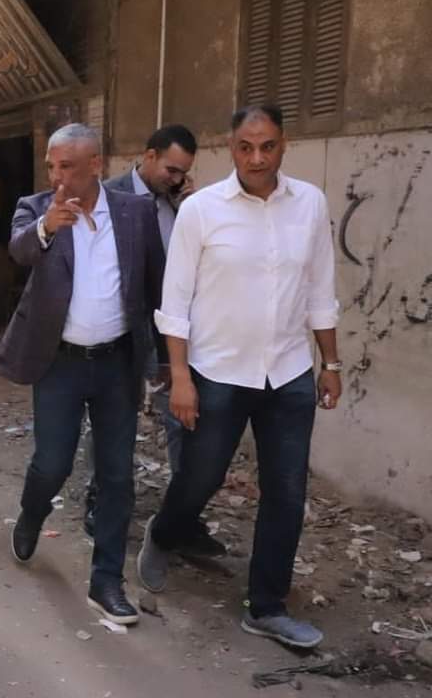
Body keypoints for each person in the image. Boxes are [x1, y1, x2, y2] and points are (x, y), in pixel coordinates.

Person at [137, 105, 341, 649]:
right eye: (246, 147)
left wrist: (331, 364)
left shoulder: (309, 204)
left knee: (287, 491)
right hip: (218, 372)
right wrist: (181, 378)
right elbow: (175, 302)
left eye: (267, 146)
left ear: (283, 145)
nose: (257, 158)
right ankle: (165, 532)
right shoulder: (201, 210)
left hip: (289, 373)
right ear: (230, 148)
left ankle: (266, 606)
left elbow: (320, 291)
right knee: (200, 478)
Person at [0, 124, 166, 626]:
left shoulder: (135, 212)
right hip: (60, 363)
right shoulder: (35, 208)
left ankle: (106, 581)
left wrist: (161, 359)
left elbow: (155, 286)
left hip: (116, 363)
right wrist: (48, 227)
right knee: (52, 464)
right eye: (51, 166)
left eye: (67, 166)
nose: (57, 176)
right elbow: (19, 251)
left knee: (117, 474)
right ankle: (31, 516)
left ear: (96, 165)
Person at [80, 125, 219, 553]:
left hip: (173, 331)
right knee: (111, 420)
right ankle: (100, 497)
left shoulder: (185, 205)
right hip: (125, 330)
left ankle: (182, 515)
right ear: (149, 155)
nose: (176, 178)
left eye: (183, 173)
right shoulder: (109, 195)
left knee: (183, 420)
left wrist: (186, 206)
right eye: (171, 170)